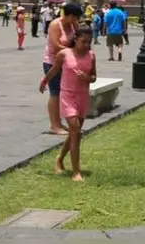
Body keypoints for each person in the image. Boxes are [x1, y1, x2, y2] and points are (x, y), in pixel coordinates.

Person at [40, 24, 96, 182]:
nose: (86, 45)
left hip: (83, 96)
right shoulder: (64, 54)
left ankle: (59, 158)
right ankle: (76, 172)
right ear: (76, 39)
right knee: (75, 130)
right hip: (67, 95)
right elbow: (54, 69)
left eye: (89, 42)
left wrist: (87, 78)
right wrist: (44, 81)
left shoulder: (91, 55)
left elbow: (94, 77)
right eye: (83, 41)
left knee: (75, 133)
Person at [44, 3, 82, 135]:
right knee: (55, 93)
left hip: (67, 63)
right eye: (75, 18)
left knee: (64, 92)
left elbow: (76, 40)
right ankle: (54, 125)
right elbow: (55, 45)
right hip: (53, 63)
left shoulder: (72, 25)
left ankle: (60, 123)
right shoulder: (55, 24)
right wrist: (73, 51)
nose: (76, 21)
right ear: (70, 15)